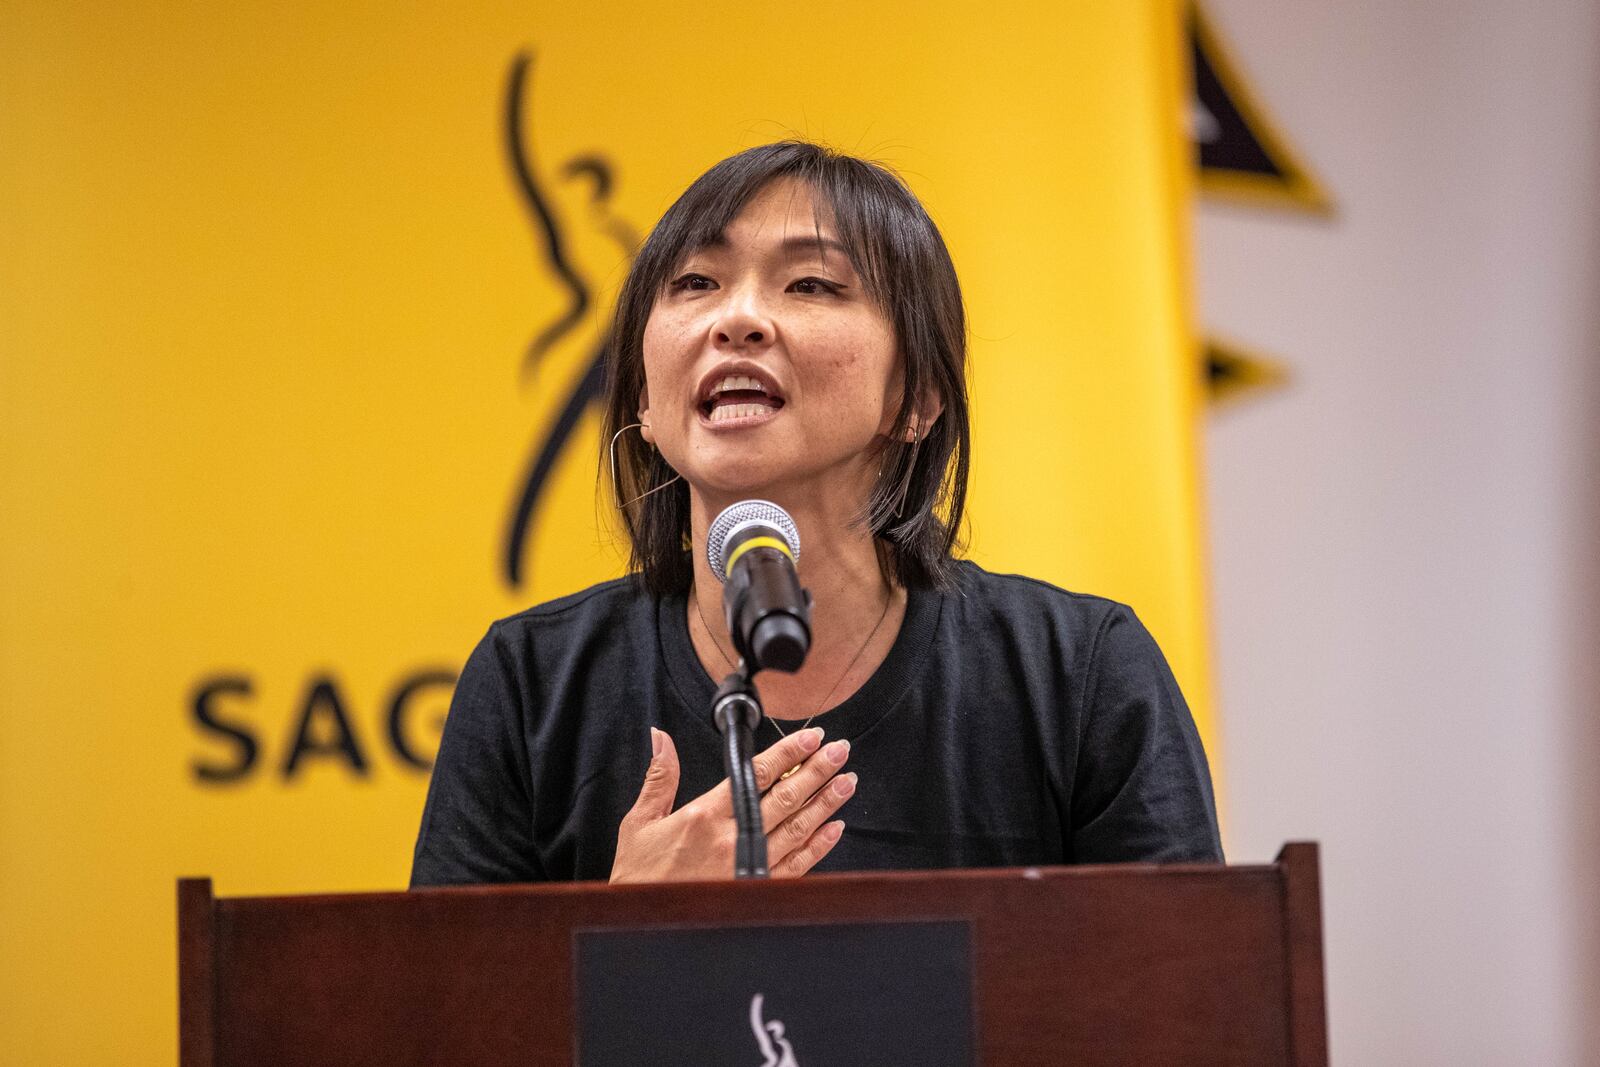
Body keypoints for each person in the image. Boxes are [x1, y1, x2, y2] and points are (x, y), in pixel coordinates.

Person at [410, 141, 1221, 887]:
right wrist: (622, 930)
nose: (738, 318)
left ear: (916, 398)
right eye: (696, 282)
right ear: (645, 404)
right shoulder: (529, 687)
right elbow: (436, 1034)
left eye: (811, 285)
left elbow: (1190, 1009)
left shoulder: (1078, 678)